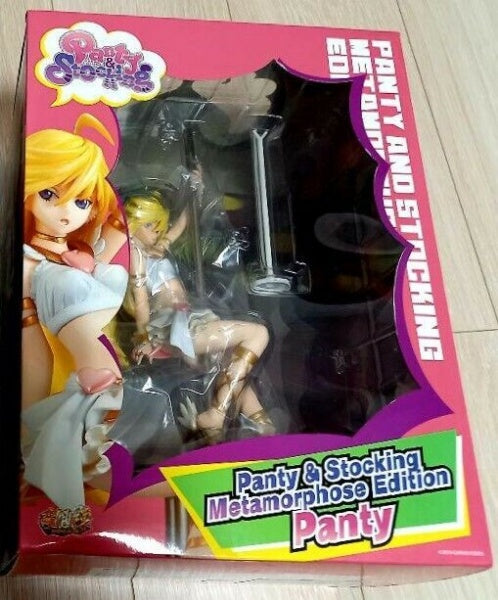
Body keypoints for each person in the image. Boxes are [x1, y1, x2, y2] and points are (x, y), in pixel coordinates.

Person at [21, 114, 129, 511]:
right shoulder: (29, 259)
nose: (66, 212)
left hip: (102, 362)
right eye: (50, 194)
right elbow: (32, 347)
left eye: (82, 201)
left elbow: (113, 246)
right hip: (65, 366)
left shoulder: (78, 253)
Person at [123, 188, 275, 444]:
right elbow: (140, 302)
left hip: (191, 317)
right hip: (177, 326)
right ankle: (216, 414)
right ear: (132, 224)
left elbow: (181, 223)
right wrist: (143, 336)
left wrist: (193, 188)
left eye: (159, 225)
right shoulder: (135, 255)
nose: (157, 231)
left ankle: (253, 426)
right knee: (258, 333)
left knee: (233, 367)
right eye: (149, 225)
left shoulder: (154, 248)